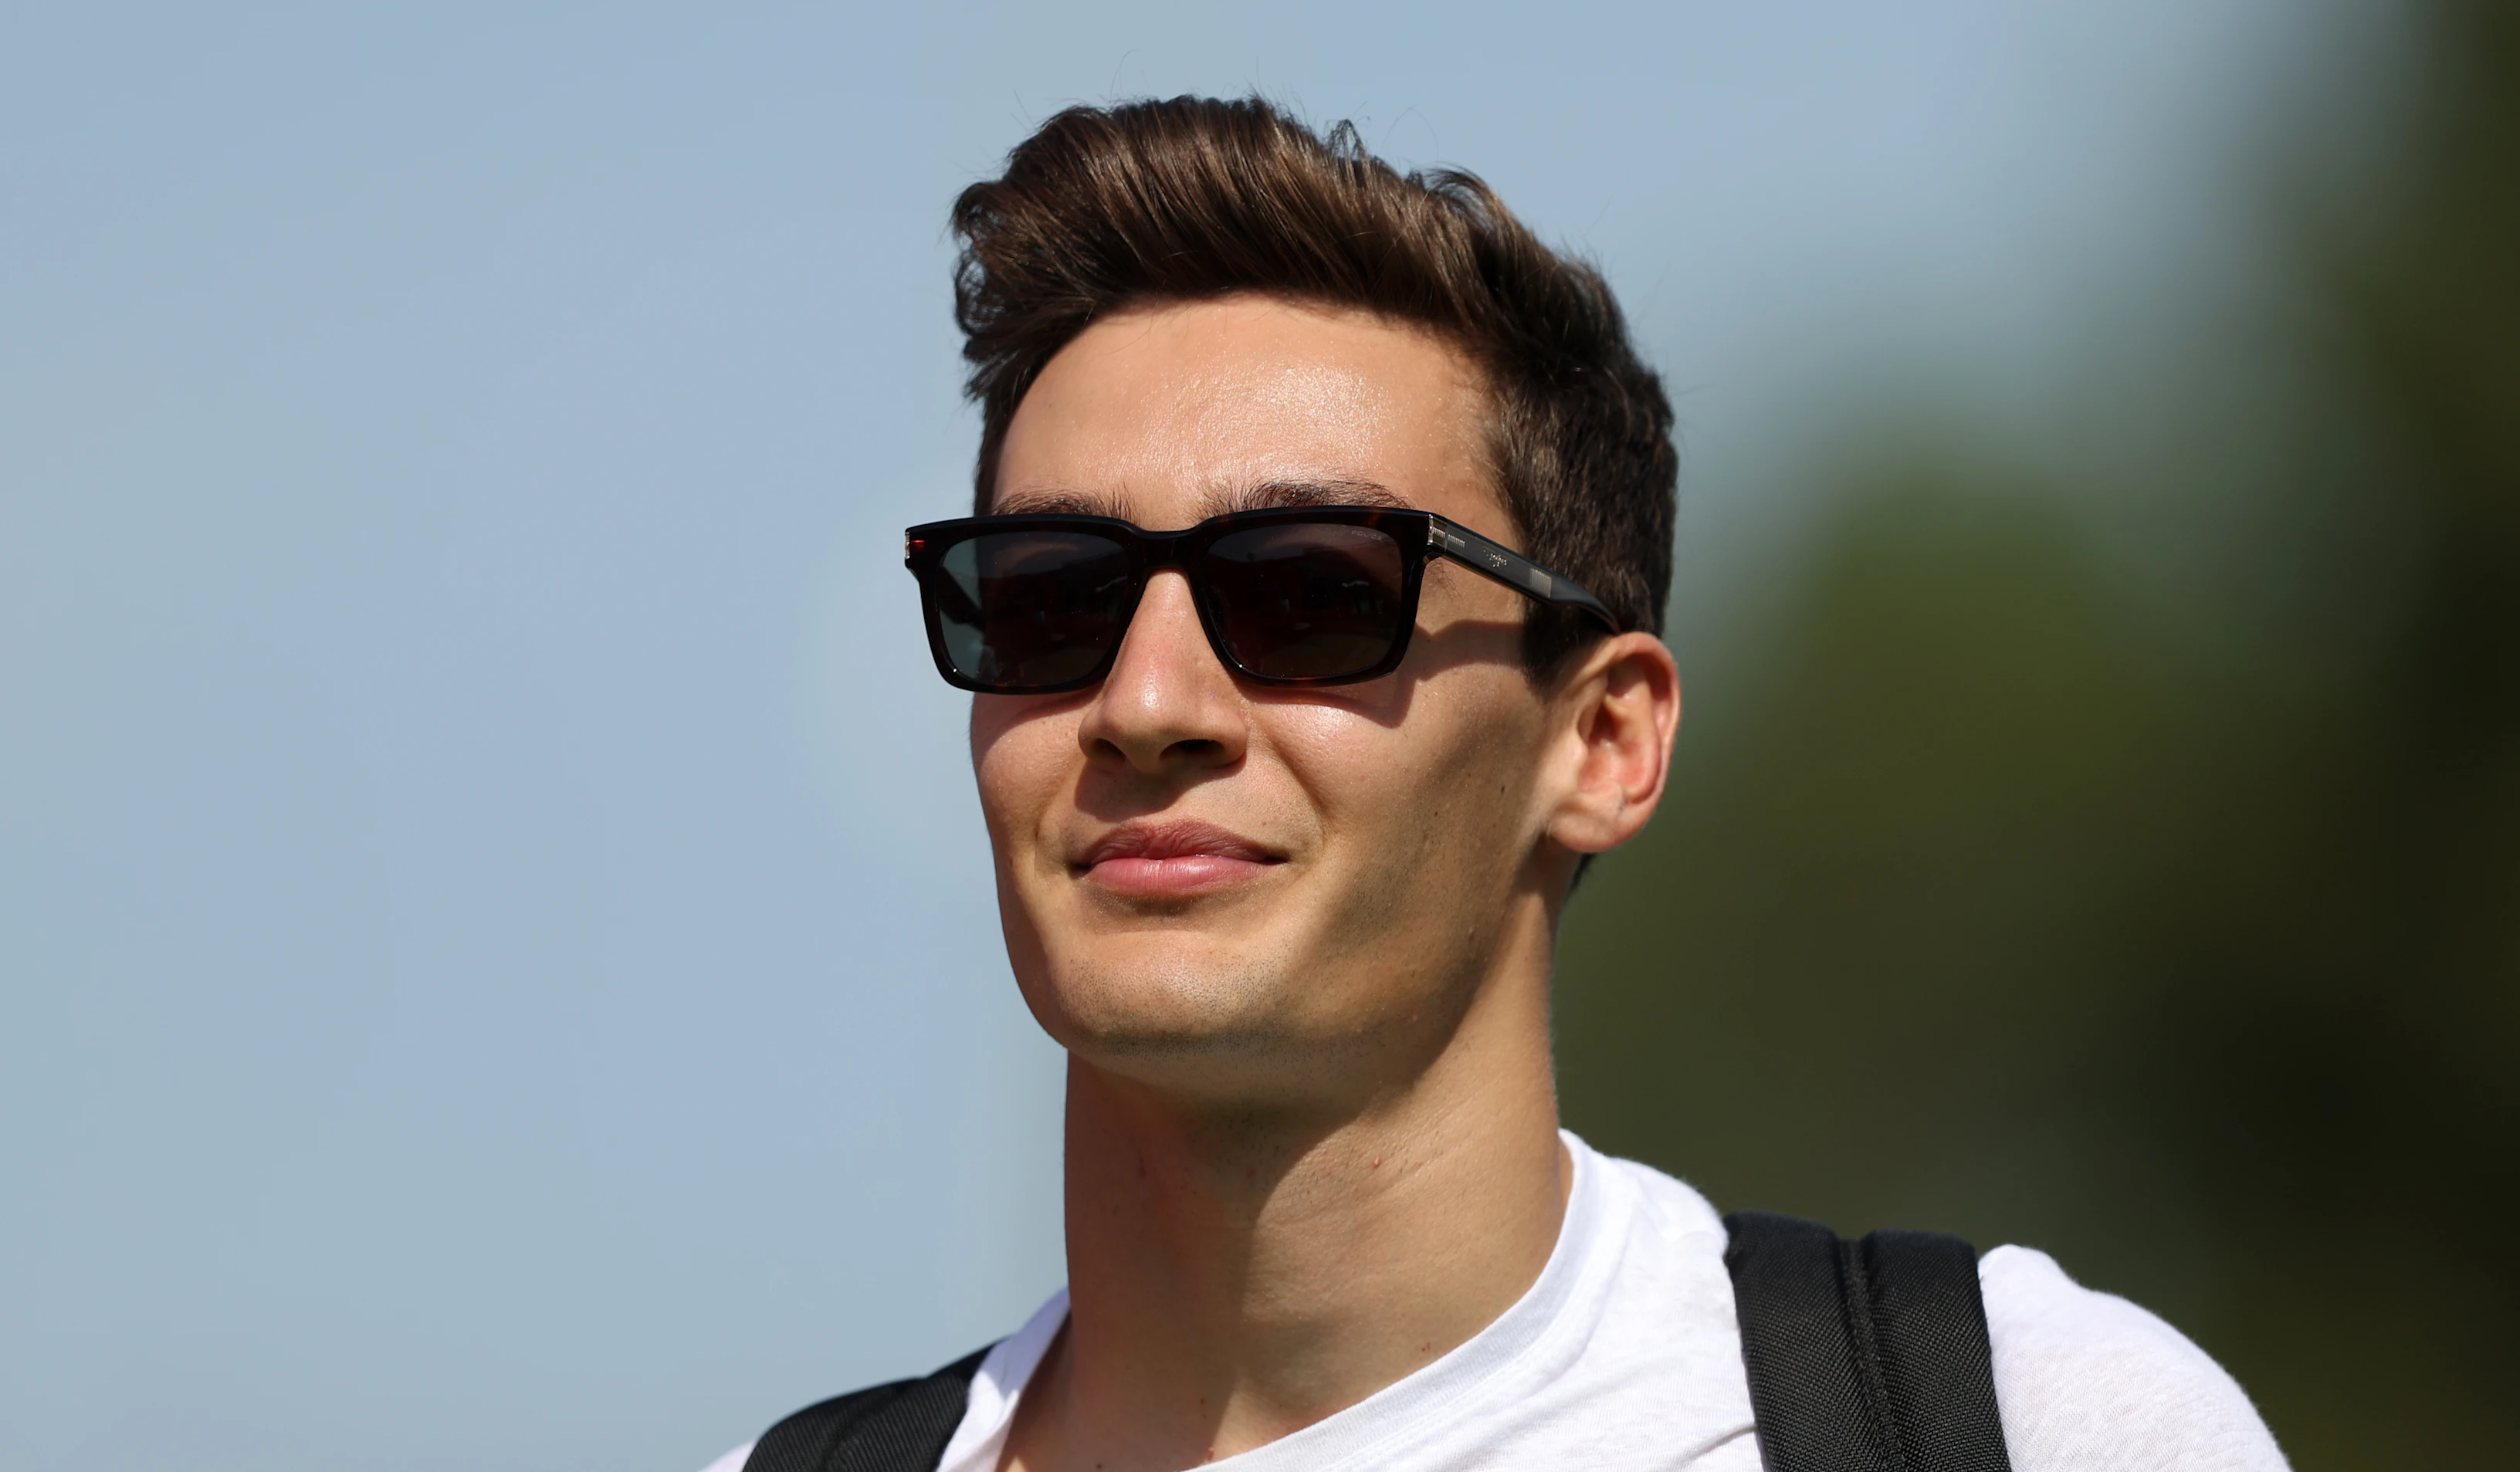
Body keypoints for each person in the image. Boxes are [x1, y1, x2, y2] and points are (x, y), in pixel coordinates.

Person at [706, 96, 2289, 1472]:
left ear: (1600, 740)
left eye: (1311, 590)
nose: (1148, 699)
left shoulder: (2014, 1424)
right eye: (1052, 593)